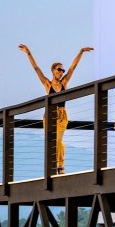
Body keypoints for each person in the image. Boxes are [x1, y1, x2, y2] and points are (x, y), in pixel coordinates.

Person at [19, 43, 93, 174]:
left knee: (58, 141)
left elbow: (72, 68)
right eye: (59, 69)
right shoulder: (48, 84)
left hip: (61, 115)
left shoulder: (64, 83)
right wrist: (28, 53)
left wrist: (80, 52)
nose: (61, 72)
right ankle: (55, 166)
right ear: (53, 70)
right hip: (49, 116)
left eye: (62, 70)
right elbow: (36, 68)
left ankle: (60, 166)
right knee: (51, 142)